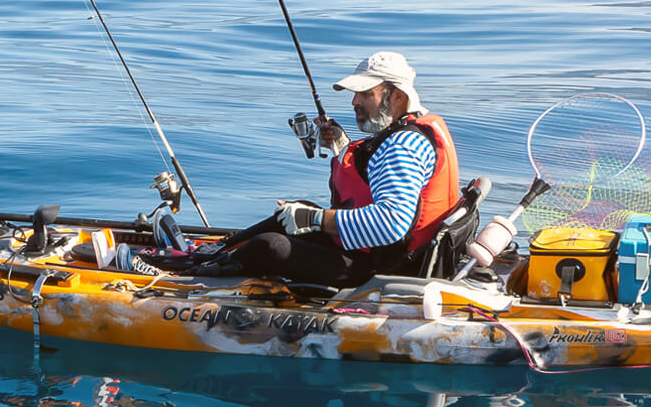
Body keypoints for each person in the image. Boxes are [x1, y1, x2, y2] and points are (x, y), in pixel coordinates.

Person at [195, 51, 461, 286]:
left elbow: (392, 224)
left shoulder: (403, 146)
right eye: (356, 94)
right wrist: (342, 145)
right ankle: (215, 252)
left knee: (271, 246)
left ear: (398, 97)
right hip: (390, 254)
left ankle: (192, 279)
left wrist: (315, 219)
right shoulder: (415, 130)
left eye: (366, 94)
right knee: (294, 211)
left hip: (387, 268)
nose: (354, 102)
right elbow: (378, 178)